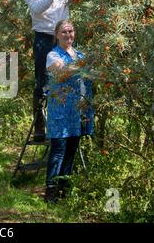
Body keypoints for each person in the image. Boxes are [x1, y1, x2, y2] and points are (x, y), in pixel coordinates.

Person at [22, 0, 76, 141]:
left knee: (69, 76)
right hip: (44, 39)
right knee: (42, 82)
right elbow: (36, 8)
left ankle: (68, 121)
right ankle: (39, 126)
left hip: (64, 39)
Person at [44, 20, 94, 203]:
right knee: (58, 150)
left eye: (71, 31)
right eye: (64, 32)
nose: (68, 35)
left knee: (72, 150)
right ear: (57, 35)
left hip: (79, 111)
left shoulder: (81, 55)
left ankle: (64, 188)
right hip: (60, 111)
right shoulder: (52, 55)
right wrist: (84, 67)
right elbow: (62, 71)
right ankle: (50, 191)